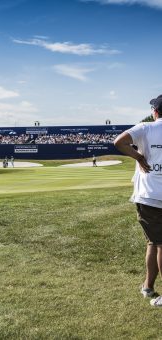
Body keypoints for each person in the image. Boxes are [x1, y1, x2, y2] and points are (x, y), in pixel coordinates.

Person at [114, 94, 162, 307]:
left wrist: (139, 157)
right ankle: (148, 286)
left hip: (149, 196)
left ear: (155, 111)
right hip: (152, 196)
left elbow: (119, 142)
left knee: (159, 243)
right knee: (154, 241)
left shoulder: (146, 127)